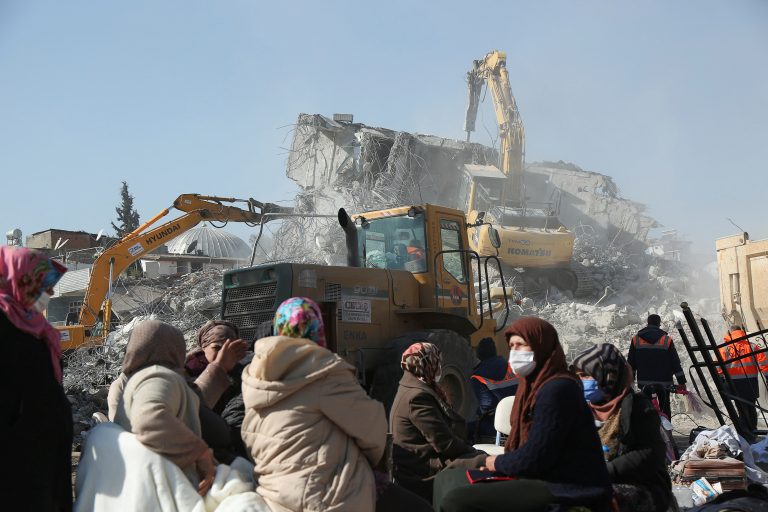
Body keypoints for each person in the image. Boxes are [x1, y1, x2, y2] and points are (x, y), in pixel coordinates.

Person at [241, 297, 432, 512]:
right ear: (317, 329)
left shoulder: (256, 380)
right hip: (329, 497)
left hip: (275, 496)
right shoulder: (322, 371)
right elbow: (373, 429)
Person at [432, 317, 612, 512]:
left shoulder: (558, 389)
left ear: (541, 345)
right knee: (446, 479)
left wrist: (495, 462)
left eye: (521, 345)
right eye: (511, 346)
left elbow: (536, 457)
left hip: (565, 484)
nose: (515, 353)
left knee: (456, 500)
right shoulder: (531, 385)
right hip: (536, 473)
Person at [0, 246, 72, 511]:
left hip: (43, 456)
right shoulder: (4, 324)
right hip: (16, 462)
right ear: (19, 279)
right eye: (44, 285)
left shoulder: (32, 324)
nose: (50, 293)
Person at [109, 319, 217, 496]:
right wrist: (199, 452)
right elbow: (149, 419)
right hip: (173, 490)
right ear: (174, 349)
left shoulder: (134, 381)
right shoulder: (159, 377)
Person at [571, 343, 672, 512]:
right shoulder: (582, 411)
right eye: (578, 376)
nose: (581, 382)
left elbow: (648, 455)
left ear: (607, 375)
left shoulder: (637, 408)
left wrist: (603, 473)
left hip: (641, 487)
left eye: (586, 376)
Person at [390, 341, 487, 502]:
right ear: (427, 364)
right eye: (437, 361)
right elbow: (445, 444)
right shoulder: (417, 397)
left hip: (420, 462)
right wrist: (473, 452)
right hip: (422, 470)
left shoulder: (410, 386)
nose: (440, 366)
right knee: (485, 462)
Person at [186, 320, 249, 461]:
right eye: (217, 348)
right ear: (204, 348)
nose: (224, 353)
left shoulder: (245, 370)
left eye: (231, 348)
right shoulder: (190, 371)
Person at [627, 313, 687, 419]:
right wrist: (681, 381)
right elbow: (675, 362)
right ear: (659, 324)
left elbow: (631, 363)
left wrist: (630, 383)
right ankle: (667, 432)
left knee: (647, 408)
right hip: (664, 382)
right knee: (665, 407)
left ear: (648, 323)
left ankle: (650, 432)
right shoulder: (666, 339)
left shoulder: (636, 340)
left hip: (644, 382)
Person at [718, 325, 768, 432]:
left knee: (741, 408)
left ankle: (745, 431)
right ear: (741, 332)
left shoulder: (724, 349)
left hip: (734, 383)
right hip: (751, 381)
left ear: (730, 332)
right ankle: (753, 430)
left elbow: (718, 368)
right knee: (751, 406)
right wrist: (767, 377)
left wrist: (720, 379)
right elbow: (763, 364)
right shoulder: (752, 346)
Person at [470, 337, 518, 440]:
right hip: (519, 418)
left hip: (497, 426)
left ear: (478, 354)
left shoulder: (478, 376)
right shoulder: (511, 367)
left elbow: (487, 407)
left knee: (466, 429)